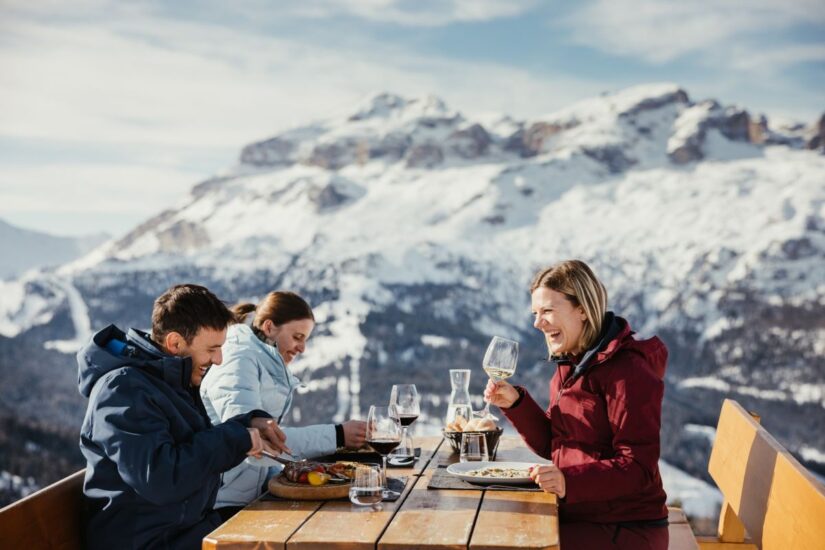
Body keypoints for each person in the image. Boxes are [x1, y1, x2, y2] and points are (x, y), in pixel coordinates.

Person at [78, 284, 290, 550]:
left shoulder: (169, 381)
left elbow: (191, 444)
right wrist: (235, 439)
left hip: (183, 531)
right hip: (148, 542)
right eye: (212, 349)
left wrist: (246, 423)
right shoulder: (123, 391)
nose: (219, 359)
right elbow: (161, 478)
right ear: (175, 343)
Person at [484, 260, 669, 550]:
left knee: (508, 544)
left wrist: (568, 481)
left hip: (625, 529)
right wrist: (516, 404)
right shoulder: (573, 362)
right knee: (495, 529)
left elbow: (638, 468)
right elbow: (556, 444)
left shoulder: (628, 372)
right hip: (581, 514)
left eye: (547, 311)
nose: (537, 323)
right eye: (535, 313)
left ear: (582, 309)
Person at [200, 291, 367, 513]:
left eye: (305, 339)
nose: (302, 348)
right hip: (220, 502)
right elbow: (255, 445)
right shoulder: (238, 359)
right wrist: (338, 434)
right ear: (269, 328)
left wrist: (285, 474)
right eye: (297, 337)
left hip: (248, 493)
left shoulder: (260, 358)